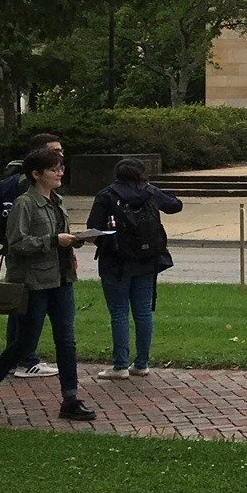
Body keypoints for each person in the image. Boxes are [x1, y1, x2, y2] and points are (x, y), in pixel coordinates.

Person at [0, 147, 94, 421]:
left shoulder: (57, 201)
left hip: (61, 279)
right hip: (34, 282)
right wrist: (53, 241)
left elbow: (60, 236)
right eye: (54, 169)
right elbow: (16, 243)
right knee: (25, 342)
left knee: (67, 340)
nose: (60, 173)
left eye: (61, 167)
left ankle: (70, 399)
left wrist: (75, 240)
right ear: (36, 174)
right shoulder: (24, 204)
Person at [0, 132, 63, 379]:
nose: (60, 158)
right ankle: (25, 359)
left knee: (18, 307)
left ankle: (15, 358)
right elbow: (22, 234)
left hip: (20, 254)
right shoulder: (27, 190)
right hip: (29, 261)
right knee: (26, 313)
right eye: (54, 152)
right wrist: (54, 240)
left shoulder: (11, 184)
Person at [86, 158, 182, 379]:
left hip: (115, 260)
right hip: (147, 259)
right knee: (143, 311)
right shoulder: (150, 192)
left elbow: (93, 227)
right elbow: (175, 205)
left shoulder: (107, 195)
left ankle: (120, 365)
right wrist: (154, 190)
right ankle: (142, 362)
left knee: (119, 312)